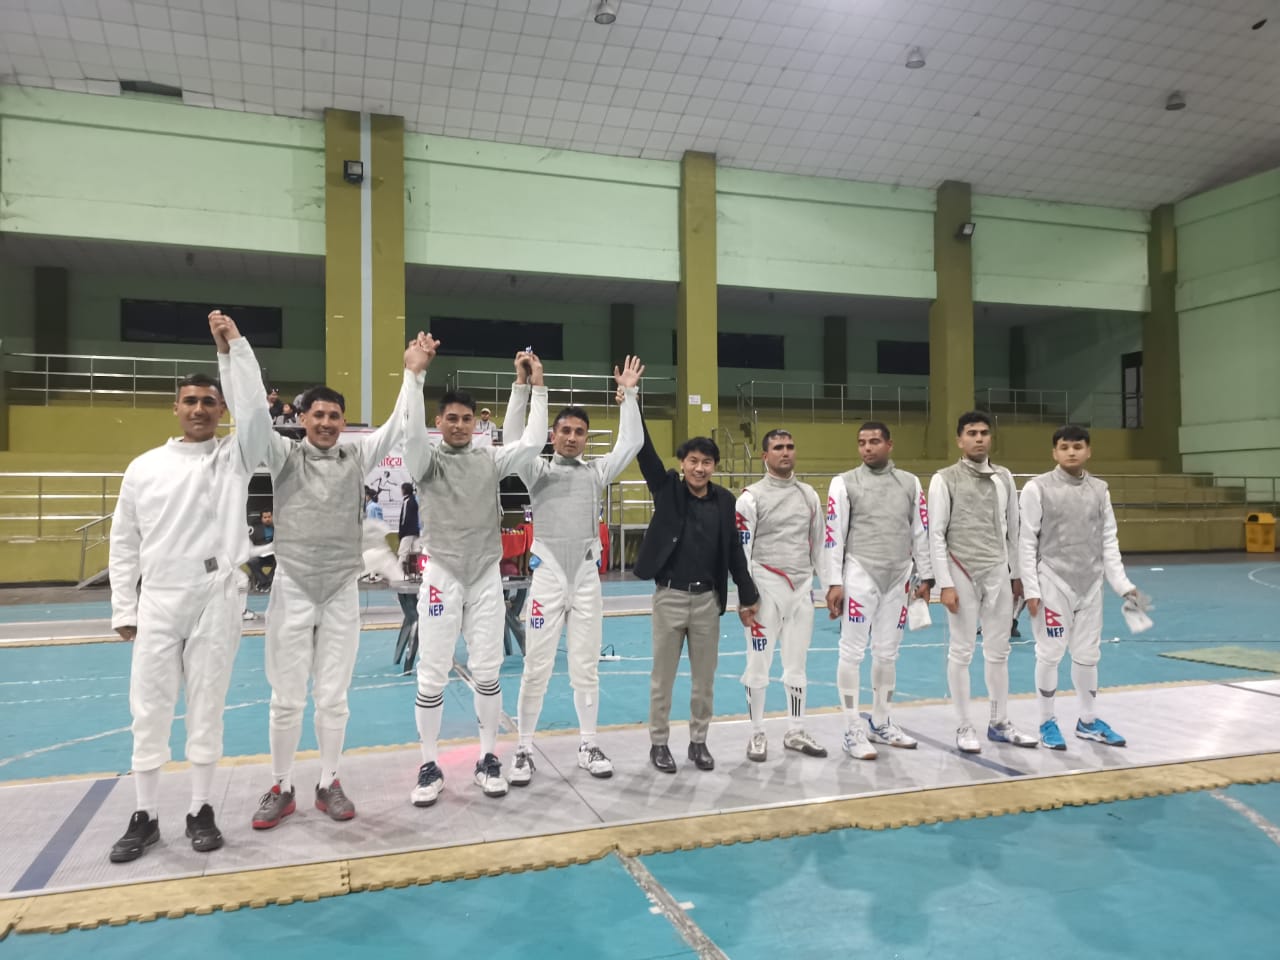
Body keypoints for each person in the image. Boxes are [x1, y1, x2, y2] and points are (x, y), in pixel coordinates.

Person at [244, 331, 432, 830]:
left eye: (334, 416)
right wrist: (238, 357)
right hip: (293, 587)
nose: (326, 423)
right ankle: (281, 787)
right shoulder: (284, 456)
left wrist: (413, 373)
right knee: (286, 698)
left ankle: (329, 782)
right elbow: (255, 421)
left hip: (341, 590)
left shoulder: (357, 457)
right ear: (302, 419)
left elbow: (397, 426)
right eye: (318, 415)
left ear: (343, 422)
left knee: (333, 697)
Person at [107, 311, 270, 862]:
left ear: (221, 409)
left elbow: (255, 412)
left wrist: (233, 350)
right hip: (158, 598)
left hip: (215, 597)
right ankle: (145, 815)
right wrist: (123, 608)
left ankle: (201, 808)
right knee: (149, 708)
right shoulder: (143, 467)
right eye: (190, 401)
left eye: (209, 402)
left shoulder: (235, 456)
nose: (199, 409)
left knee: (206, 705)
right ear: (175, 408)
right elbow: (124, 542)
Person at [403, 339, 549, 807]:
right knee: (431, 675)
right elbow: (409, 433)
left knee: (488, 672)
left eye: (467, 419)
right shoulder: (426, 461)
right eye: (452, 418)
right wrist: (414, 375)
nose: (460, 425)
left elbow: (532, 443)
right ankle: (429, 764)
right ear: (439, 422)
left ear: (475, 423)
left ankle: (488, 758)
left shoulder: (489, 460)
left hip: (485, 575)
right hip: (442, 574)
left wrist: (532, 386)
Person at [503, 356, 645, 785]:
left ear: (586, 438)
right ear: (552, 435)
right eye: (564, 430)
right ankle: (524, 748)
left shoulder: (595, 473)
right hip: (547, 577)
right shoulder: (536, 470)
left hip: (584, 579)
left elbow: (631, 443)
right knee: (536, 667)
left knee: (586, 666)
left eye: (579, 432)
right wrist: (525, 388)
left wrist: (630, 396)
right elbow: (512, 440)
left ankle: (588, 744)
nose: (571, 437)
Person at [634, 426, 760, 773]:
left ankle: (698, 742)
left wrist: (747, 592)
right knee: (662, 679)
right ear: (682, 463)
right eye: (693, 461)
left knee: (704, 681)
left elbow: (733, 549)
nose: (699, 468)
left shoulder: (725, 501)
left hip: (707, 601)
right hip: (669, 598)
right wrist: (631, 404)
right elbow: (645, 454)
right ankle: (659, 744)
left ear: (714, 466)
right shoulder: (667, 491)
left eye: (706, 462)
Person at [1019, 425, 1141, 749]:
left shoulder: (1100, 490)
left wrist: (1123, 585)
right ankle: (1046, 722)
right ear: (1054, 452)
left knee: (1087, 654)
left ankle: (1088, 721)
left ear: (1088, 451)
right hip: (1053, 581)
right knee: (1050, 652)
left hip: (1090, 584)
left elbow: (1108, 539)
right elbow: (1026, 540)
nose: (1071, 452)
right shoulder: (1037, 488)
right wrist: (1031, 589)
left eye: (1077, 446)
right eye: (1064, 447)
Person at [822, 421, 933, 760]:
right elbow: (833, 534)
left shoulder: (910, 483)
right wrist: (833, 582)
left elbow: (920, 531)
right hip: (860, 572)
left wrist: (926, 576)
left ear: (889, 444)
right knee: (852, 652)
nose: (867, 448)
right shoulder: (844, 483)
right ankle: (852, 729)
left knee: (887, 653)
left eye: (874, 441)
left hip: (899, 576)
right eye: (861, 442)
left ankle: (881, 722)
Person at [929, 411, 1037, 753]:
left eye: (984, 433)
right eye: (972, 433)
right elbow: (936, 534)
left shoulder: (1004, 477)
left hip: (997, 571)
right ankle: (964, 725)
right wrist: (944, 583)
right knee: (961, 650)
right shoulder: (944, 479)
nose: (979, 438)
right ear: (959, 440)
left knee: (999, 650)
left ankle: (999, 722)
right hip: (960, 569)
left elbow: (1014, 529)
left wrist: (1017, 574)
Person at [735, 429, 826, 762]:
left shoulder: (808, 495)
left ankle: (796, 730)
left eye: (789, 446)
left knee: (797, 664)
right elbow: (742, 553)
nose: (785, 452)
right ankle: (756, 733)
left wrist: (831, 586)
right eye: (777, 448)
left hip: (801, 589)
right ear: (765, 456)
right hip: (764, 589)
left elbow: (819, 545)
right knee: (758, 664)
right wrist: (745, 599)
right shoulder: (750, 498)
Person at [397, 482, 420, 571]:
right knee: (415, 552)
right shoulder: (414, 500)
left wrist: (402, 532)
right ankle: (416, 573)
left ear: (404, 490)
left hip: (408, 531)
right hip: (415, 531)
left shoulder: (407, 501)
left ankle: (397, 572)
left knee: (403, 553)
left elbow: (404, 518)